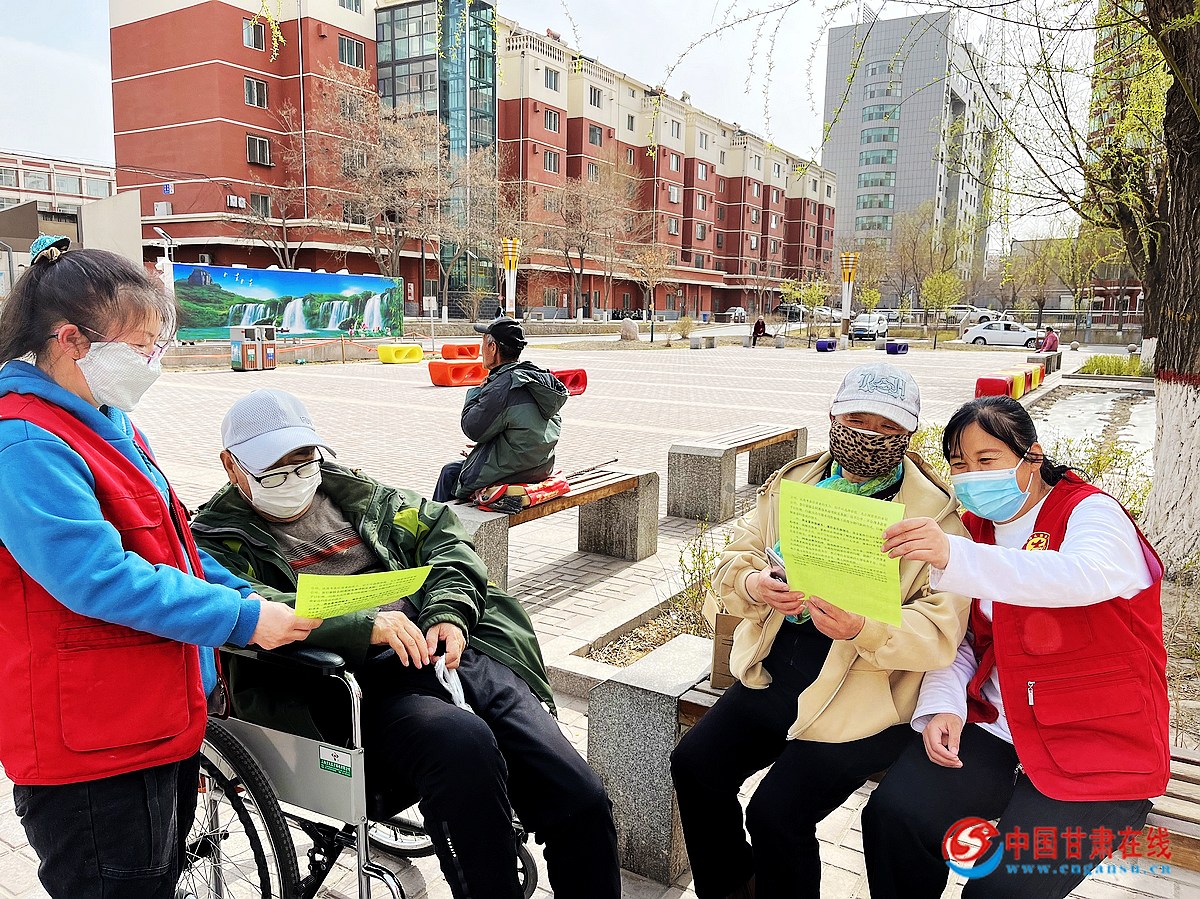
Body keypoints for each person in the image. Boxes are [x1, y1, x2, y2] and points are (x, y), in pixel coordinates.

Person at [191, 389, 620, 899]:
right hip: (357, 683)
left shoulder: (359, 496)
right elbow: (257, 605)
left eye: (303, 462)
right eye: (273, 472)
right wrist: (361, 624)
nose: (294, 479)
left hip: (449, 650)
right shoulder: (216, 540)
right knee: (462, 746)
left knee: (578, 796)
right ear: (231, 466)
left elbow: (445, 540)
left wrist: (450, 611)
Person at [0, 239, 320, 899]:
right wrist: (240, 618)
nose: (150, 363)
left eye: (157, 347)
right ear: (71, 340)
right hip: (94, 745)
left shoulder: (107, 421)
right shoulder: (25, 440)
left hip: (152, 719)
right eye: (139, 347)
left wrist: (252, 596)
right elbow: (99, 577)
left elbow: (172, 548)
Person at [670, 362, 971, 899]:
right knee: (694, 766)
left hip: (866, 697)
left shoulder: (937, 518)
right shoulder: (794, 483)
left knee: (775, 814)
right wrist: (755, 583)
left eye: (888, 427)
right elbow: (738, 555)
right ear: (832, 416)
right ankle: (733, 888)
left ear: (910, 433)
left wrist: (864, 627)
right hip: (775, 671)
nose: (870, 436)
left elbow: (941, 631)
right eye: (858, 420)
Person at [866, 395, 1168, 899]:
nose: (972, 476)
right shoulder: (975, 529)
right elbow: (964, 637)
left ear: (1032, 455)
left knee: (999, 890)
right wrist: (944, 705)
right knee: (895, 817)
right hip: (1001, 728)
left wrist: (954, 555)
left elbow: (1083, 575)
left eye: (987, 460)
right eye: (959, 465)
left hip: (1097, 740)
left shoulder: (1089, 511)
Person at [433, 317, 568, 502]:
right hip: (540, 467)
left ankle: (436, 520)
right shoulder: (537, 378)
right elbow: (523, 427)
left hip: (514, 471)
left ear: (493, 348)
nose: (481, 351)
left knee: (450, 473)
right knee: (459, 467)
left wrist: (477, 391)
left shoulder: (502, 386)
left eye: (483, 344)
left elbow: (472, 428)